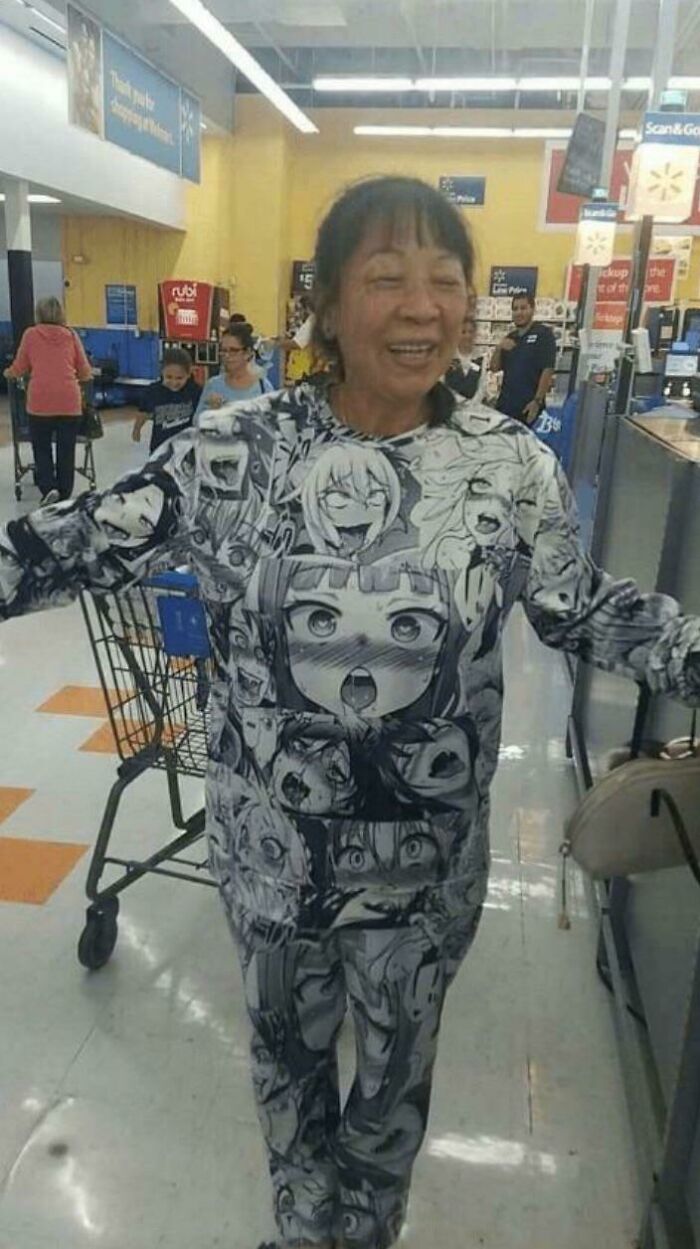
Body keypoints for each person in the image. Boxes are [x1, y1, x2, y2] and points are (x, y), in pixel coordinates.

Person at [1, 176, 699, 1249]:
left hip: (424, 877)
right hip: (272, 867)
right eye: (385, 278)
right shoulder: (235, 454)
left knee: (388, 1103)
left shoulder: (508, 466)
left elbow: (579, 606)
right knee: (287, 1081)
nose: (421, 307)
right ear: (324, 303)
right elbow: (70, 542)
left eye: (444, 281)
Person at [3, 296, 92, 505]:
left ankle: (48, 487)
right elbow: (85, 370)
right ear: (61, 313)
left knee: (41, 448)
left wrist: (9, 373)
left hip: (40, 402)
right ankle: (64, 491)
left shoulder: (31, 334)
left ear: (39, 313)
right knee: (66, 449)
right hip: (69, 402)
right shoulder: (71, 335)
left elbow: (19, 367)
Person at [490, 292, 556, 425]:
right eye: (515, 309)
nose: (519, 312)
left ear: (532, 309)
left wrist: (537, 402)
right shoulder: (510, 337)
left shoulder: (543, 334)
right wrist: (498, 348)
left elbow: (547, 369)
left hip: (529, 408)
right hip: (506, 408)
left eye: (523, 308)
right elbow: (494, 368)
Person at [195, 321, 274, 417]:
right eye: (223, 350)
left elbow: (272, 424)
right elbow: (197, 422)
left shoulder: (263, 388)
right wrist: (211, 412)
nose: (227, 356)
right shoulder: (213, 385)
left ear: (247, 353)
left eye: (233, 351)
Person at [132, 347, 202, 453]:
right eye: (169, 377)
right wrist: (136, 430)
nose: (174, 382)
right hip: (160, 448)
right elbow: (143, 413)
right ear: (161, 372)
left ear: (188, 374)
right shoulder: (152, 391)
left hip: (187, 448)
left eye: (179, 378)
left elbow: (204, 413)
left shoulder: (195, 391)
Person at [444, 313, 486, 401]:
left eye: (471, 332)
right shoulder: (448, 356)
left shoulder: (480, 357)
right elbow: (443, 385)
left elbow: (482, 387)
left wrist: (472, 404)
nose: (467, 336)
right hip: (451, 406)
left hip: (473, 408)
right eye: (463, 332)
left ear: (475, 334)